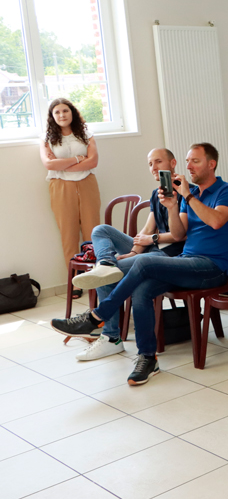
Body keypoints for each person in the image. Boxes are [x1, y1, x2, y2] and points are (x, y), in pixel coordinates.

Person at [52, 143, 228, 386]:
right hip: (187, 262)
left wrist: (187, 196)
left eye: (195, 161)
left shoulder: (226, 191)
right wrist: (173, 207)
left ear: (211, 164)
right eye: (188, 161)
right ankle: (148, 357)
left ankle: (97, 316)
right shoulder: (189, 196)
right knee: (141, 289)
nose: (189, 166)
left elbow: (216, 221)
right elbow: (179, 232)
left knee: (143, 263)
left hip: (212, 268)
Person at [71, 148, 185, 361]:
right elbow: (147, 228)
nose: (154, 167)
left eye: (158, 161)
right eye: (150, 164)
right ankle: (106, 262)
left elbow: (181, 235)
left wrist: (151, 240)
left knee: (104, 276)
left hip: (169, 256)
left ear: (173, 163)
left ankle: (111, 338)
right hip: (150, 248)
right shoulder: (157, 193)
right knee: (101, 230)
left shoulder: (186, 192)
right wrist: (132, 252)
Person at [40, 98, 101, 297]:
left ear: (72, 112)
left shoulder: (86, 134)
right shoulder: (47, 138)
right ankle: (75, 282)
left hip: (87, 183)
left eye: (65, 110)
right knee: (69, 234)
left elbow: (93, 162)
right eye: (57, 112)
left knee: (93, 231)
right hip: (60, 186)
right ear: (52, 116)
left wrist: (63, 164)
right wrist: (76, 159)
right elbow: (49, 164)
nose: (62, 115)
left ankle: (96, 277)